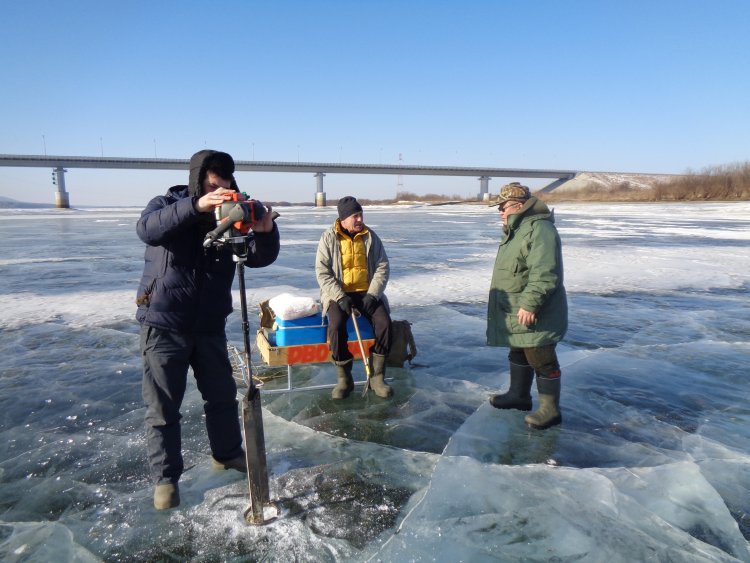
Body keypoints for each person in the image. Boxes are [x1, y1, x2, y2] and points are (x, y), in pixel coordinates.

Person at [135, 149, 279, 510]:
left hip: (210, 325)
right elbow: (147, 230)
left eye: (226, 183)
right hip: (165, 323)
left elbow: (258, 257)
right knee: (163, 407)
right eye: (213, 184)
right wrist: (197, 207)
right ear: (198, 181)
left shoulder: (234, 212)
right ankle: (166, 481)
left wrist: (265, 231)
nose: (222, 189)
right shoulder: (168, 204)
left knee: (221, 396)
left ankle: (227, 453)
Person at [486, 182, 568, 430]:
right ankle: (519, 396)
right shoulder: (516, 230)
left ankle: (550, 410)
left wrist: (531, 304)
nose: (500, 212)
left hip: (534, 310)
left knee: (540, 356)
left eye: (502, 207)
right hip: (514, 307)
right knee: (519, 350)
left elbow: (545, 273)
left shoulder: (539, 229)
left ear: (518, 206)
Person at [315, 196, 393, 399]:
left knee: (384, 324)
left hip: (367, 292)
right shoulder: (328, 237)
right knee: (336, 326)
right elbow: (322, 272)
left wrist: (373, 295)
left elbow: (382, 267)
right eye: (354, 216)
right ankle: (344, 379)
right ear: (343, 219)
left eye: (360, 215)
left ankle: (377, 377)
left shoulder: (371, 237)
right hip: (338, 294)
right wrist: (340, 298)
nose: (359, 219)